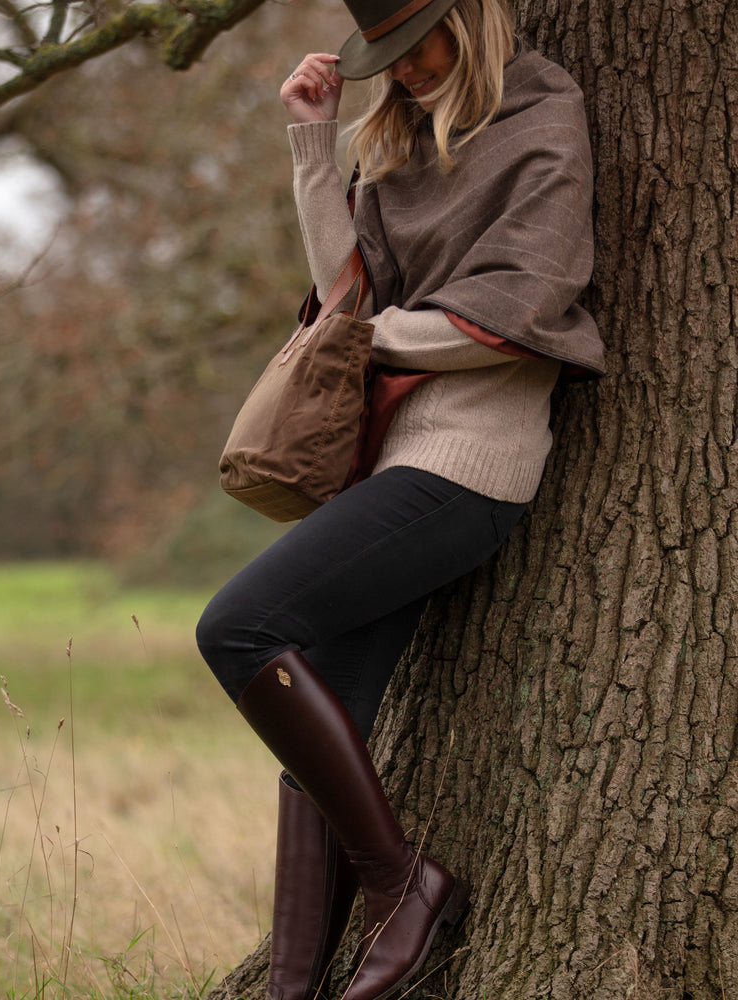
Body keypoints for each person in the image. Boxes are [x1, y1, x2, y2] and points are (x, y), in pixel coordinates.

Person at [196, 1, 605, 998]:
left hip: (469, 467)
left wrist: (366, 338)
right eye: (386, 55)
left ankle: (406, 884)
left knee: (237, 627)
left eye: (416, 44)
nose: (405, 69)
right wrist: (310, 145)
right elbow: (349, 293)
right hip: (392, 463)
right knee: (325, 708)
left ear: (467, 22)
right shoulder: (399, 142)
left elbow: (511, 320)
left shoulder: (543, 126)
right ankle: (296, 980)